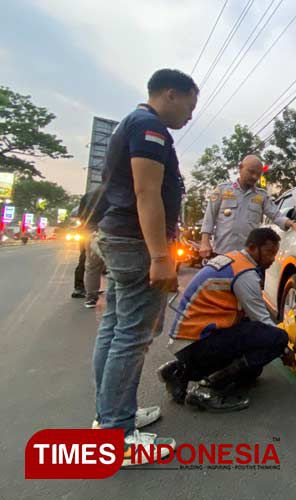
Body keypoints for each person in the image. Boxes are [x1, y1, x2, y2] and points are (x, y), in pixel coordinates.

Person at [93, 68, 198, 466]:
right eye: (190, 105)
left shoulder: (134, 123)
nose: (190, 115)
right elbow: (146, 192)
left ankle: (111, 418)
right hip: (137, 244)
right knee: (131, 338)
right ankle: (117, 438)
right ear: (172, 94)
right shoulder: (149, 128)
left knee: (115, 330)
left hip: (121, 238)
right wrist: (159, 256)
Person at [158, 228, 294, 412]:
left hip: (187, 342)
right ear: (253, 248)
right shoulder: (245, 272)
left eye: (275, 253)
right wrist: (285, 349)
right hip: (197, 344)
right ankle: (209, 388)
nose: (272, 259)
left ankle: (178, 372)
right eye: (269, 252)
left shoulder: (234, 259)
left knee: (252, 370)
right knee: (276, 338)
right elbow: (261, 319)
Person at [199, 155, 296, 258]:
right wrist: (205, 242)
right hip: (223, 252)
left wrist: (292, 223)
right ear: (240, 168)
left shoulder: (261, 196)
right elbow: (209, 217)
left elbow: (276, 215)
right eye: (251, 172)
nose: (254, 176)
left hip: (249, 255)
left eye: (258, 174)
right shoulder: (223, 190)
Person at [78, 186, 109, 308]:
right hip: (109, 229)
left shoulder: (89, 194)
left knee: (92, 265)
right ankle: (115, 300)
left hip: (89, 230)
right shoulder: (116, 189)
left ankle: (91, 297)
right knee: (114, 266)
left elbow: (80, 215)